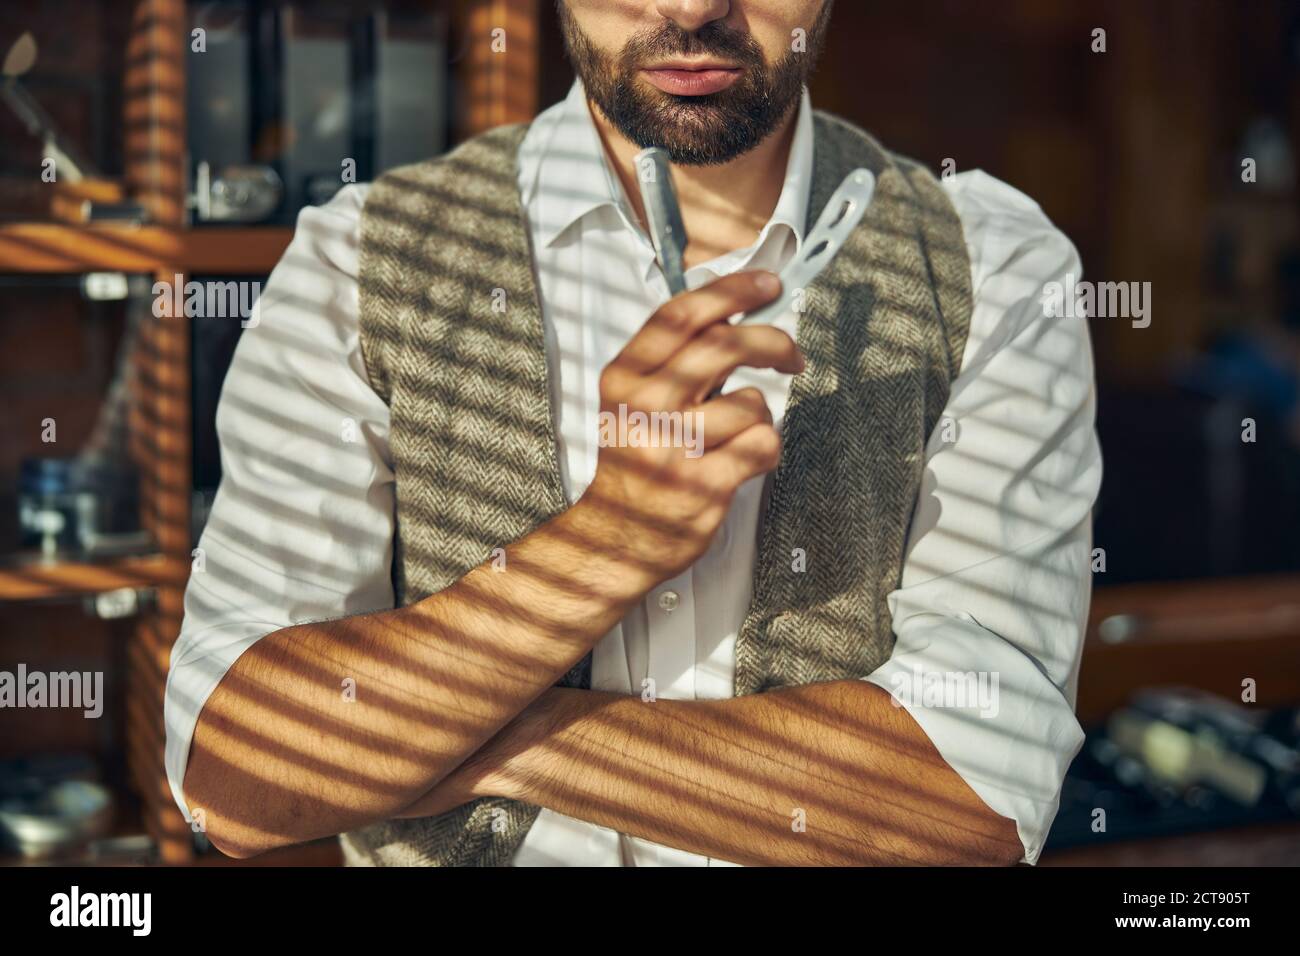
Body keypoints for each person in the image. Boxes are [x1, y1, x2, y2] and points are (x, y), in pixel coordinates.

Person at [164, 0, 1102, 866]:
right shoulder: (355, 264)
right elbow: (235, 782)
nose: (693, 9)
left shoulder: (996, 265)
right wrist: (607, 544)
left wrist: (462, 742)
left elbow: (979, 797)